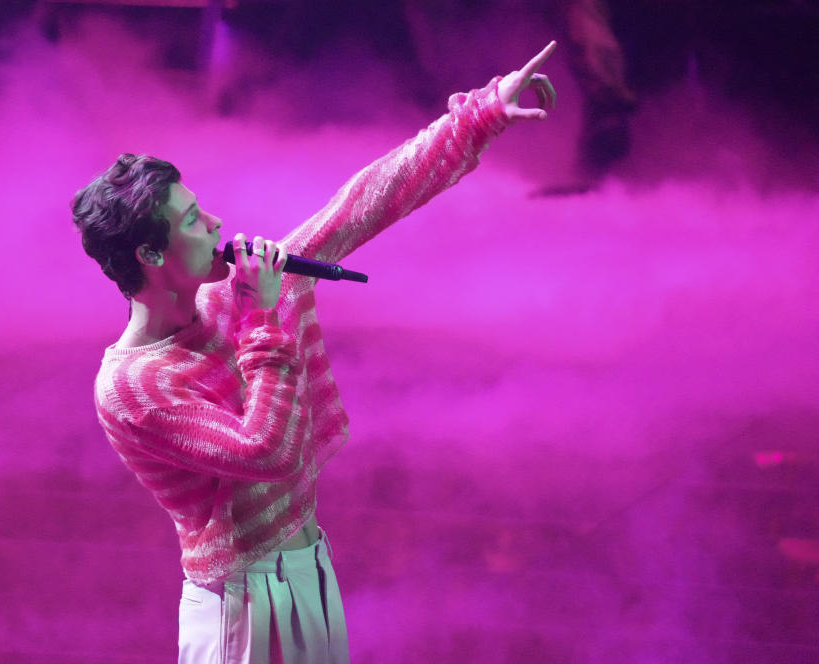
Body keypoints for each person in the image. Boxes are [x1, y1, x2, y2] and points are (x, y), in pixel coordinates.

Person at [71, 41, 558, 664]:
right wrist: (262, 316)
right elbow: (266, 452)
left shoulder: (227, 297)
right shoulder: (133, 385)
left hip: (307, 568)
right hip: (241, 605)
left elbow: (360, 207)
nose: (216, 222)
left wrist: (477, 117)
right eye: (192, 219)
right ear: (148, 254)